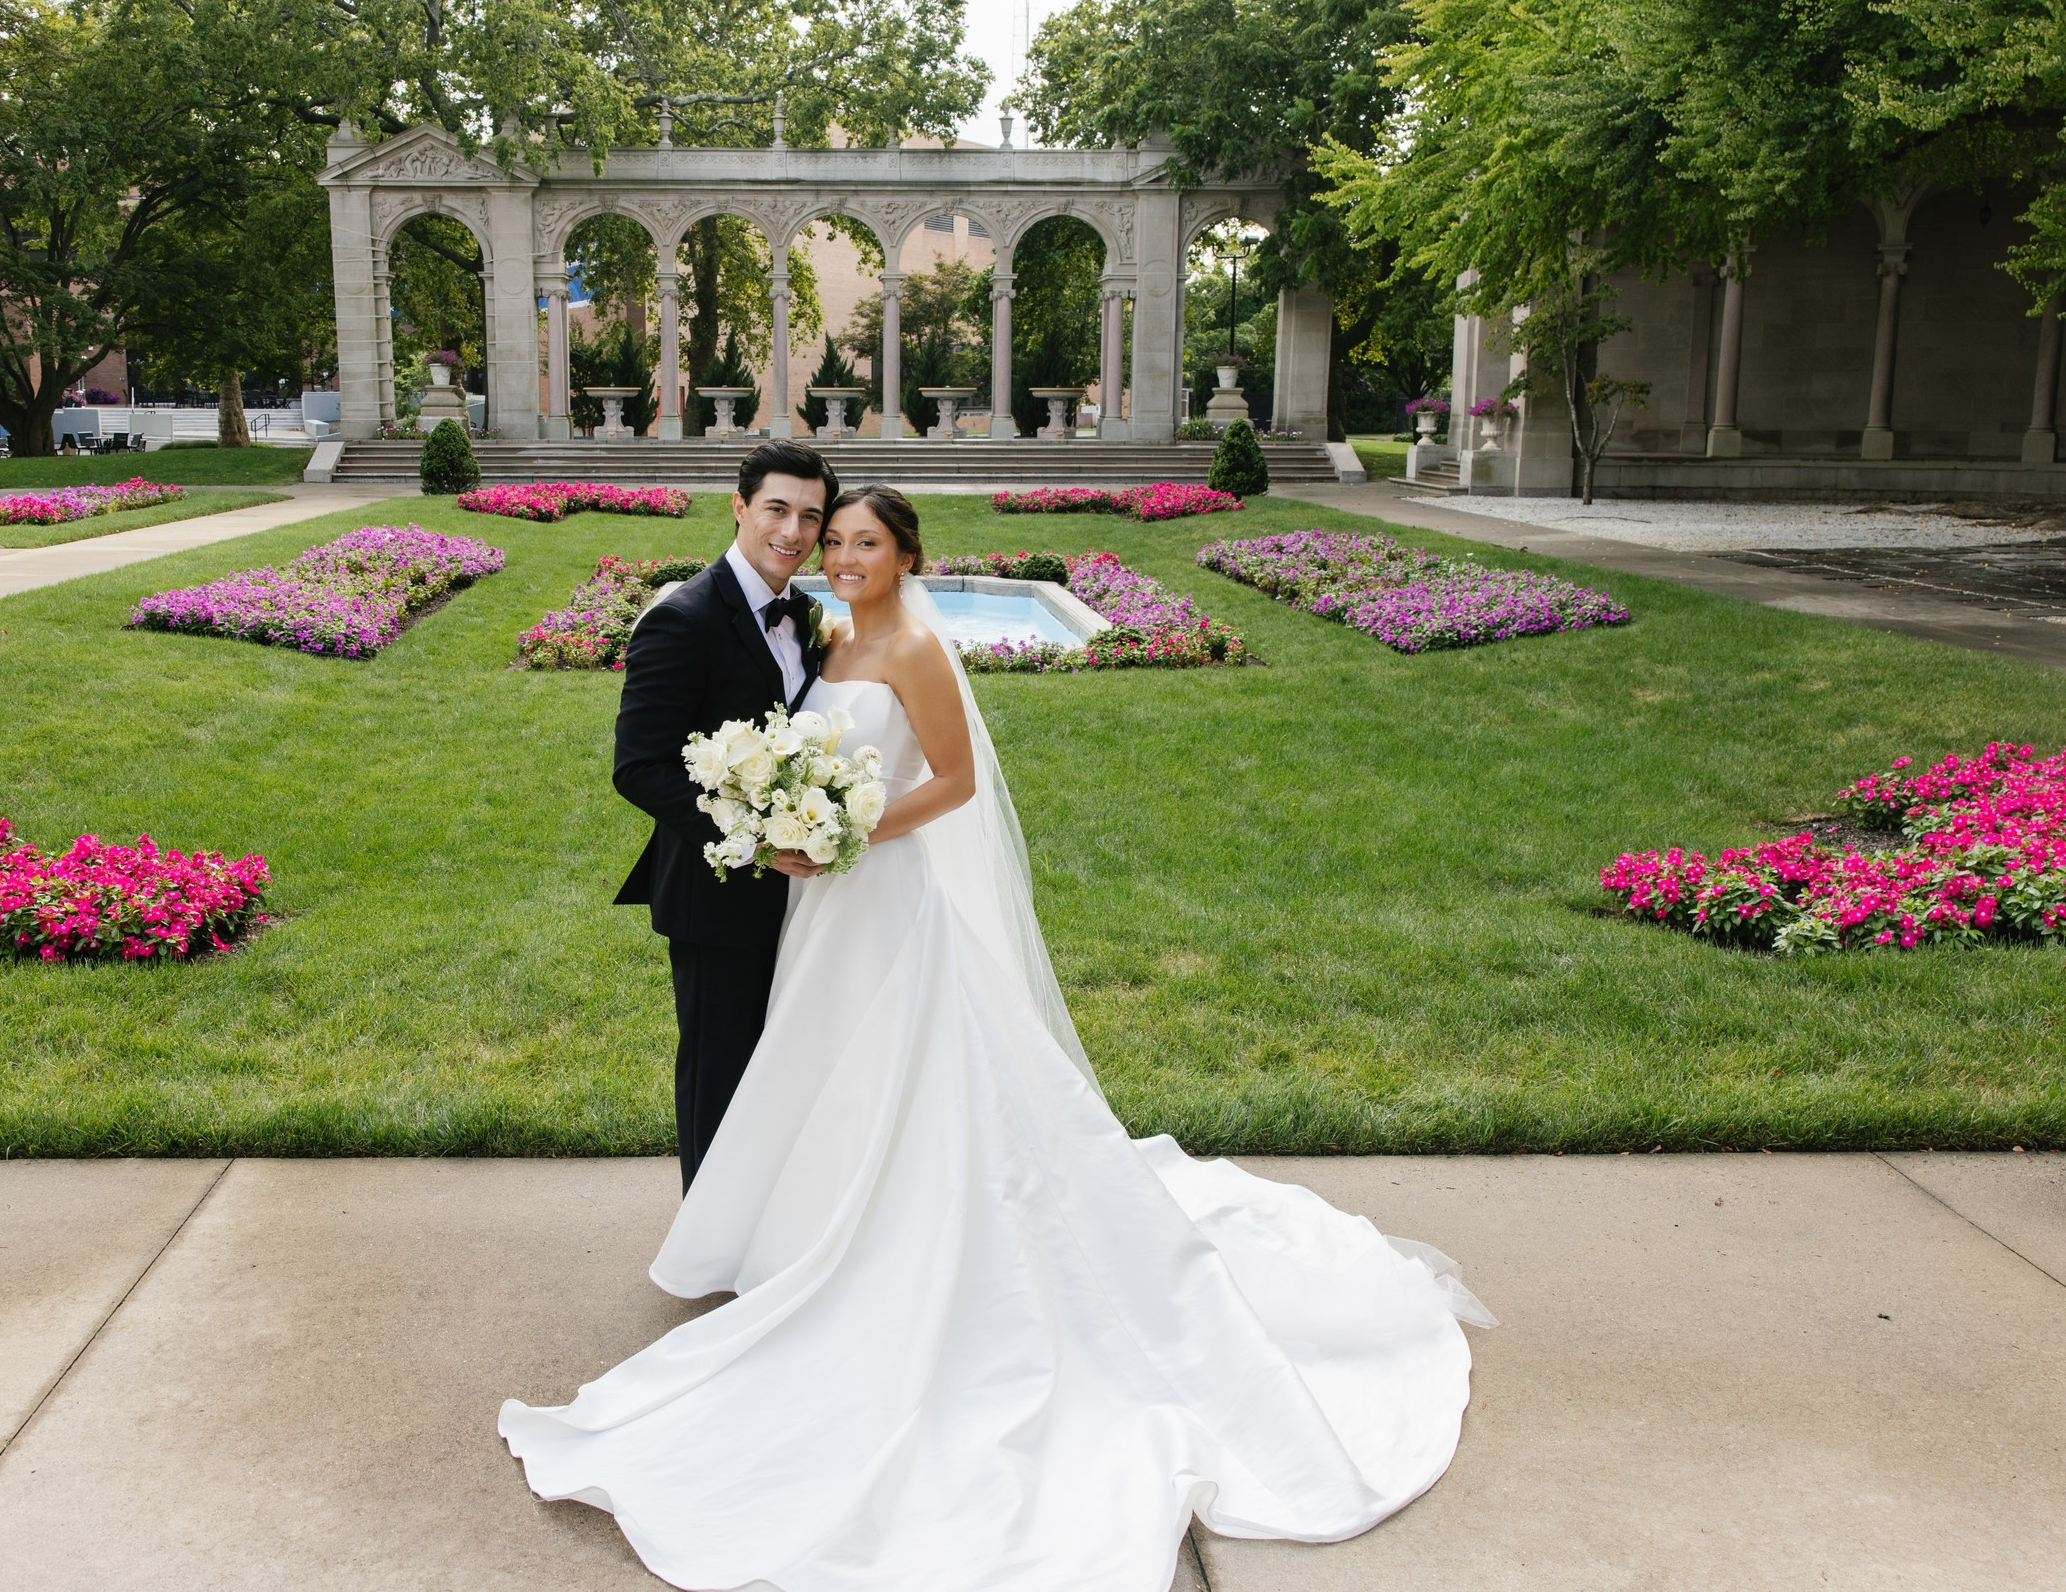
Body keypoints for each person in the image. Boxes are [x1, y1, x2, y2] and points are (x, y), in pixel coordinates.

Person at [508, 485, 1492, 1591]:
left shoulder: (921, 646)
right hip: (825, 906)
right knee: (824, 1073)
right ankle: (809, 1236)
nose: (839, 554)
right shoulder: (828, 635)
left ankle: (913, 1248)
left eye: (861, 542)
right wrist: (801, 824)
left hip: (885, 897)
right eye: (831, 539)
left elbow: (957, 780)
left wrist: (850, 828)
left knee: (917, 1078)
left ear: (906, 551)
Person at [611, 440, 838, 1189]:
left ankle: (770, 1222)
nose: (794, 531)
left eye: (811, 515)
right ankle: (710, 1248)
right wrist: (753, 844)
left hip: (808, 894)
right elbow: (639, 767)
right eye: (777, 509)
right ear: (740, 507)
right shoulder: (683, 617)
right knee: (720, 1074)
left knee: (786, 1067)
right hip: (717, 892)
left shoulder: (806, 614)